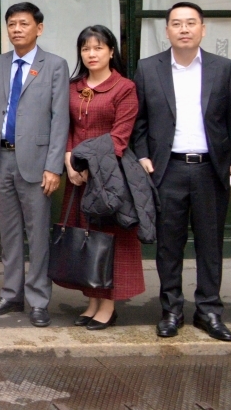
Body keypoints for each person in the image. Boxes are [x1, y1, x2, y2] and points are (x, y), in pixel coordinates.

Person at [135, 2, 231, 342]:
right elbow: (139, 122)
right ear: (166, 30)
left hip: (210, 169)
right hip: (168, 169)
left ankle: (209, 311)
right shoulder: (148, 69)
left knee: (211, 244)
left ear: (203, 29)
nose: (184, 29)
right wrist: (142, 156)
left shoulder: (223, 68)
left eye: (191, 23)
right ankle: (171, 310)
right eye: (177, 23)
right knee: (169, 244)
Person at [0, 2, 69, 327]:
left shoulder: (55, 65)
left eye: (23, 24)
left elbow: (60, 119)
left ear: (38, 28)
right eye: (12, 24)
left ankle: (38, 300)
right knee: (9, 233)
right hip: (2, 160)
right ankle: (10, 293)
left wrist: (53, 166)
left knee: (38, 234)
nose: (17, 29)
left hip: (37, 163)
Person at [55, 25, 143, 329]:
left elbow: (120, 136)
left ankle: (109, 305)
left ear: (111, 51)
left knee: (109, 240)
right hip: (76, 175)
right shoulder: (72, 86)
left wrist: (90, 166)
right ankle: (91, 300)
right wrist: (68, 160)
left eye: (98, 48)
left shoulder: (124, 87)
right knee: (84, 237)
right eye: (85, 48)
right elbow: (65, 128)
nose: (91, 54)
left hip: (108, 176)